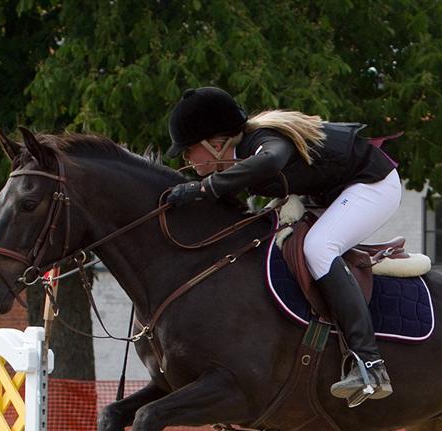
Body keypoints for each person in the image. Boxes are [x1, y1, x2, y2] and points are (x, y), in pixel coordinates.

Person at [164, 86, 400, 406]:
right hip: (330, 193)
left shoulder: (263, 143)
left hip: (372, 186)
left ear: (215, 144)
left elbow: (270, 162)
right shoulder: (237, 157)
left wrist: (204, 188)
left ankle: (370, 363)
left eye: (188, 150)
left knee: (318, 248)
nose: (186, 159)